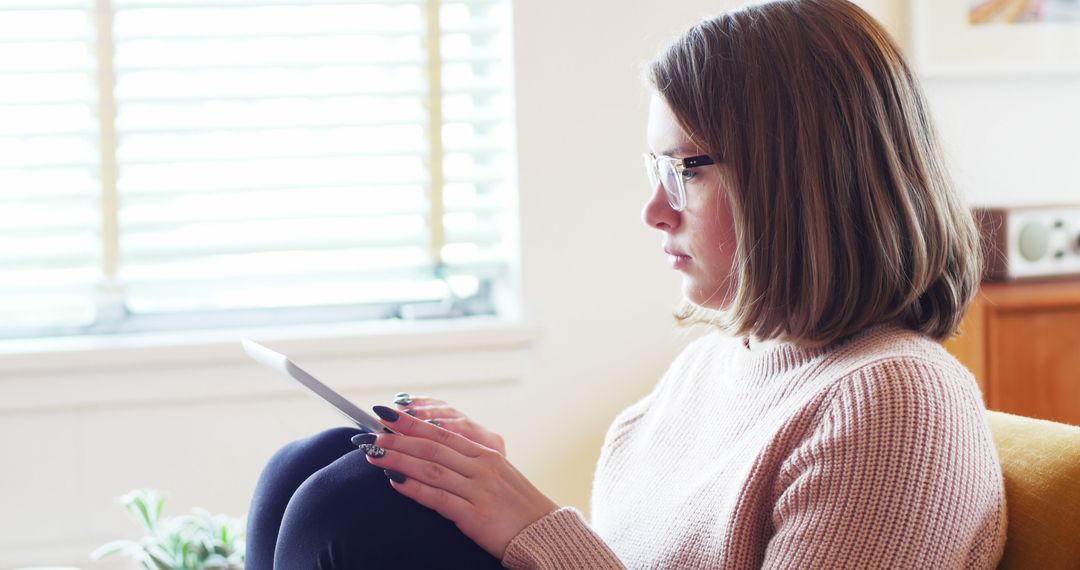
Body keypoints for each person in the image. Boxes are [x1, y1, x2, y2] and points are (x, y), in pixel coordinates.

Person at [245, 0, 1007, 567]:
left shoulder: (899, 402)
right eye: (655, 170)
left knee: (347, 506)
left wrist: (530, 524)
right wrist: (489, 488)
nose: (652, 211)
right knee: (313, 463)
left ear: (802, 180)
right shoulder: (713, 368)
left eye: (685, 171)